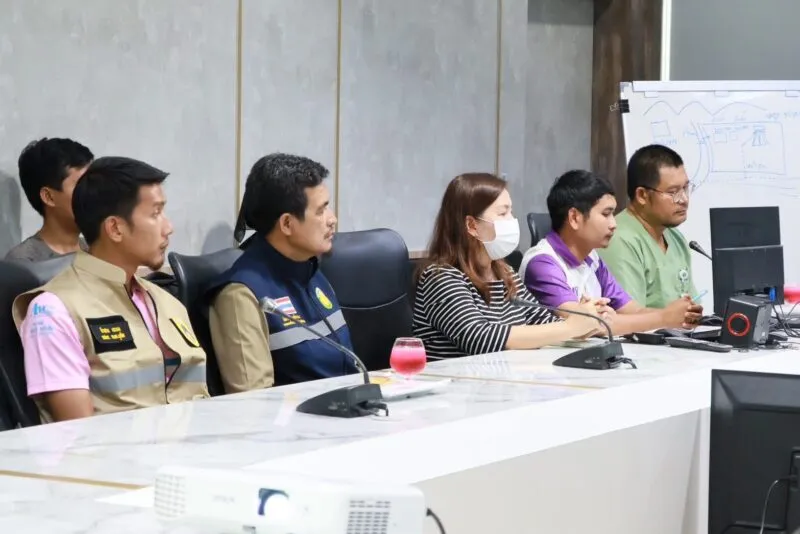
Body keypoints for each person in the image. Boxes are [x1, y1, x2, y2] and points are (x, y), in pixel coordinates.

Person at [12, 157, 209, 423]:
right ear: (115, 228)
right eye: (155, 213)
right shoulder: (52, 311)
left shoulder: (166, 303)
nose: (168, 228)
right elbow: (78, 432)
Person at [206, 153, 356, 392]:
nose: (332, 219)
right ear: (287, 224)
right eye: (321, 211)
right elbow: (253, 400)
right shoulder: (241, 296)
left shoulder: (311, 272)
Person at [413, 173, 601, 359]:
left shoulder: (505, 273)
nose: (512, 220)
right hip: (454, 378)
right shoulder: (439, 277)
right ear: (471, 225)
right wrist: (569, 327)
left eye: (511, 212)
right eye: (503, 213)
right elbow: (479, 339)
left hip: (506, 374)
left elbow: (542, 321)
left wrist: (582, 319)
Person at [520, 170, 702, 335]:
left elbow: (633, 311)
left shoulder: (592, 258)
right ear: (574, 217)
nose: (614, 224)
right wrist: (664, 318)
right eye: (606, 214)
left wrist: (677, 315)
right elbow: (587, 325)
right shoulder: (542, 264)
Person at [598, 144, 699, 308]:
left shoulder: (675, 238)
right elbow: (629, 315)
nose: (684, 199)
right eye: (673, 192)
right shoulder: (618, 240)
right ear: (642, 195)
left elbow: (693, 304)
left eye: (685, 188)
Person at [5, 138, 94, 261]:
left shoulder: (99, 252)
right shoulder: (24, 262)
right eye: (81, 185)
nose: (94, 193)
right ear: (49, 197)